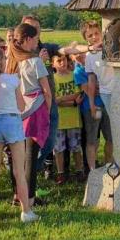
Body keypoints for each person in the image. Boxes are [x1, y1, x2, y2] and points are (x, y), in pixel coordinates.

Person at [20, 15, 83, 181]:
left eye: (37, 28)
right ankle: (25, 177)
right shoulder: (19, 53)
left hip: (50, 104)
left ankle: (31, 171)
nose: (34, 31)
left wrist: (89, 48)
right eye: (30, 28)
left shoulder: (46, 48)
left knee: (49, 142)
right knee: (29, 145)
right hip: (31, 106)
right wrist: (38, 62)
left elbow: (66, 50)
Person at [0, 47, 39, 223]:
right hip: (12, 121)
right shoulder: (12, 79)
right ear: (1, 61)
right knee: (19, 170)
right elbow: (21, 106)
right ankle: (26, 211)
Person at [7, 22, 52, 208]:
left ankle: (17, 195)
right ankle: (30, 198)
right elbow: (47, 91)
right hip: (35, 110)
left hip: (17, 111)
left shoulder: (11, 61)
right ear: (27, 39)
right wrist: (48, 110)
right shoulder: (35, 62)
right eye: (35, 39)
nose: (37, 43)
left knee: (17, 157)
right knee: (30, 157)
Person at [81, 21, 114, 167]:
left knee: (114, 135)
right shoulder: (89, 57)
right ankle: (94, 170)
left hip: (118, 92)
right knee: (94, 137)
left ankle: (111, 164)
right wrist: (92, 104)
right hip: (104, 95)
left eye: (96, 33)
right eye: (90, 35)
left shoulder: (112, 47)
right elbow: (91, 80)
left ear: (102, 32)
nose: (94, 37)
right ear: (86, 39)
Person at [52, 54, 83, 183]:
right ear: (53, 64)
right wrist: (73, 102)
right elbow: (54, 100)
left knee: (76, 147)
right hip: (59, 120)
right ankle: (61, 173)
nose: (62, 63)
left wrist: (62, 99)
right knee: (58, 149)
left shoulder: (73, 75)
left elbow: (77, 94)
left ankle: (79, 170)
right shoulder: (53, 79)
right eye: (58, 61)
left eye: (64, 60)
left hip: (73, 119)